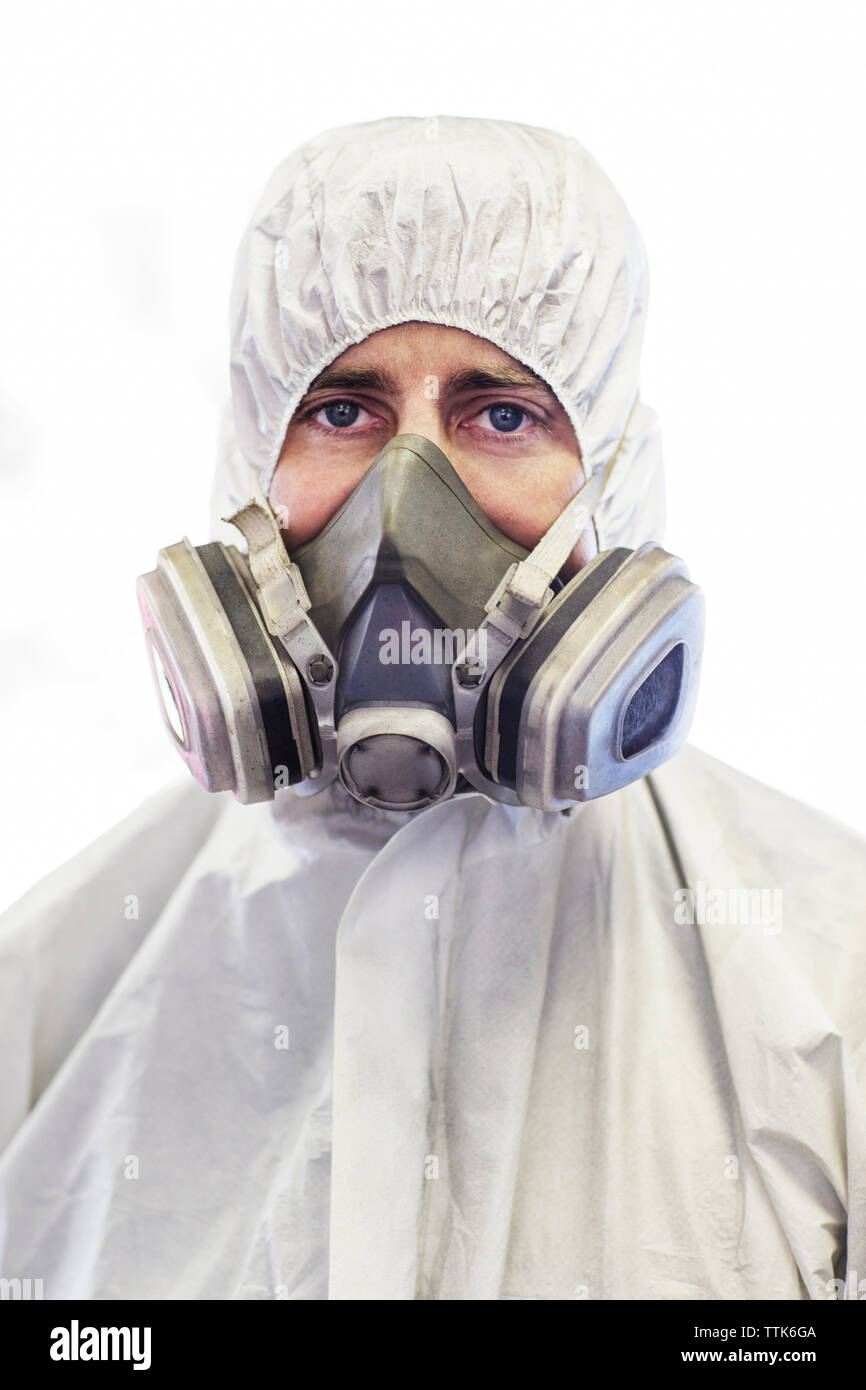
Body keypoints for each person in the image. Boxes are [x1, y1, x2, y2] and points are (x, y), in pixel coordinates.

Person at [1, 114, 864, 1302]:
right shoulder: (46, 998)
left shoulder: (829, 982)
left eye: (501, 414)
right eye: (343, 411)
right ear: (251, 467)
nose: (405, 501)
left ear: (607, 477)